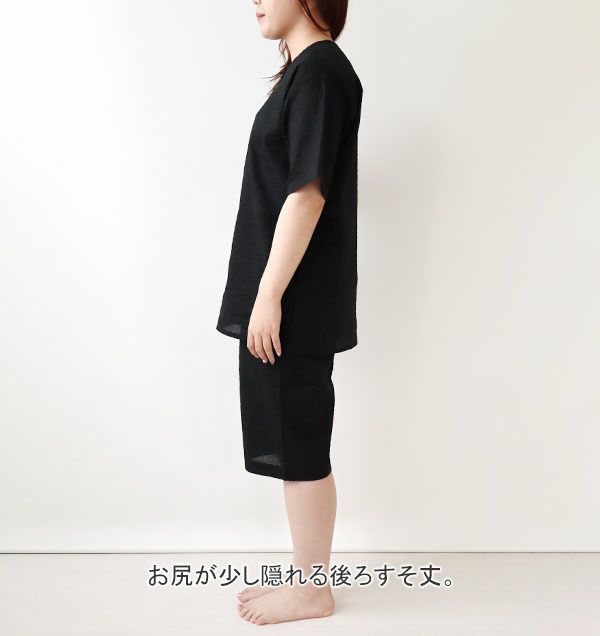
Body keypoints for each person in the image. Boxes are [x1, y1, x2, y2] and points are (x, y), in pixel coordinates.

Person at [216, 0, 363, 625]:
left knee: (300, 439)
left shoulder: (322, 71)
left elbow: (306, 194)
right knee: (293, 434)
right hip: (287, 294)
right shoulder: (307, 72)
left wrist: (269, 294)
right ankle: (307, 579)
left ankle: (311, 589)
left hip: (293, 298)